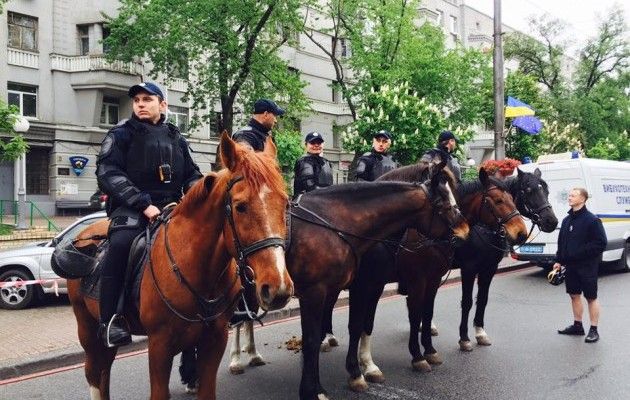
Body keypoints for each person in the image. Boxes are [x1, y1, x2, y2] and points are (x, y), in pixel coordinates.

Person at [95, 82, 203, 348]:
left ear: (162, 104)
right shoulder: (121, 134)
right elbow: (108, 172)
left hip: (173, 207)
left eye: (147, 99)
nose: (140, 104)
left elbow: (192, 175)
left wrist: (196, 194)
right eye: (137, 100)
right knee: (120, 246)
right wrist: (144, 203)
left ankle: (227, 304)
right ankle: (110, 321)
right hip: (131, 208)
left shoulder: (176, 137)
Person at [553, 188, 607, 343]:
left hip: (587, 266)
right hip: (570, 266)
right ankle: (578, 326)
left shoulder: (592, 220)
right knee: (574, 295)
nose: (569, 198)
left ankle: (594, 329)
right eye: (569, 195)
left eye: (573, 195)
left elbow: (600, 243)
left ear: (582, 199)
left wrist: (579, 253)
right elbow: (562, 243)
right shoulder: (566, 220)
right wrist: (559, 260)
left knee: (591, 297)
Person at [292, 131, 334, 197]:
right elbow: (309, 186)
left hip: (325, 201)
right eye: (312, 142)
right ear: (306, 145)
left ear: (323, 144)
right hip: (306, 204)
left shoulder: (327, 162)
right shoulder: (304, 161)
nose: (316, 145)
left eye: (319, 143)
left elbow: (330, 184)